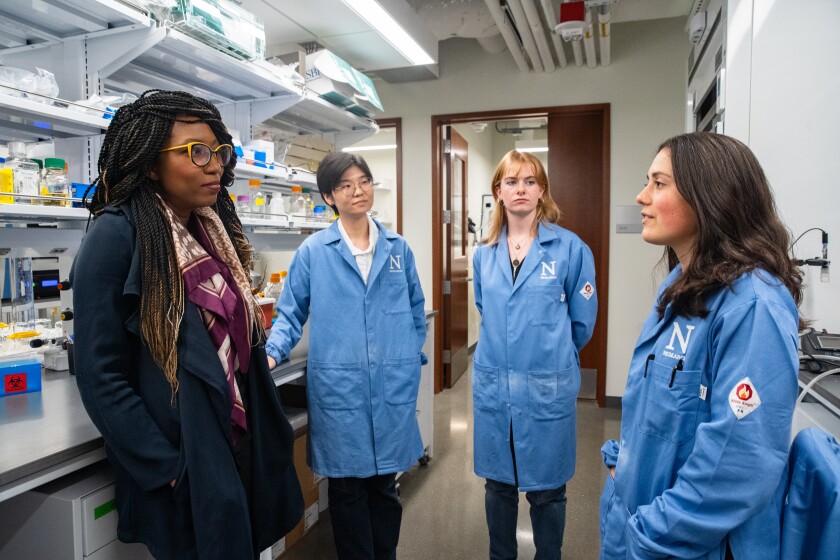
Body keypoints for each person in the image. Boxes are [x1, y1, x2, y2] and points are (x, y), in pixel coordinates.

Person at [72, 90, 303, 560]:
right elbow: (100, 375)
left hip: (233, 438)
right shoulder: (116, 234)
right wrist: (167, 466)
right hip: (185, 454)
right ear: (151, 164)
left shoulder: (210, 227)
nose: (213, 164)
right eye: (195, 152)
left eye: (218, 151)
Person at [598, 132, 803, 559]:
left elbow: (738, 464)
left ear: (709, 195)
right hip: (643, 517)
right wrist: (626, 469)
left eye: (659, 183)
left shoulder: (752, 306)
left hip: (682, 542)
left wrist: (651, 534)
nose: (641, 197)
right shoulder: (679, 287)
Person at [265, 151, 427, 560]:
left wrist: (408, 357)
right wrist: (270, 355)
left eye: (364, 181)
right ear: (328, 197)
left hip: (391, 386)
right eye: (345, 185)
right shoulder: (314, 252)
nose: (358, 191)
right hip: (341, 391)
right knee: (347, 489)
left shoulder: (397, 249)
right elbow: (290, 313)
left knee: (385, 487)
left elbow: (414, 311)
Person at [472, 150, 598, 559]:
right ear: (498, 192)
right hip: (495, 389)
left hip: (546, 389)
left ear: (542, 191)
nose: (520, 189)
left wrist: (547, 358)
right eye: (511, 181)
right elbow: (489, 312)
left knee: (548, 492)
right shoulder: (485, 253)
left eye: (529, 181)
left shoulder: (570, 250)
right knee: (498, 487)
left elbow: (580, 325)